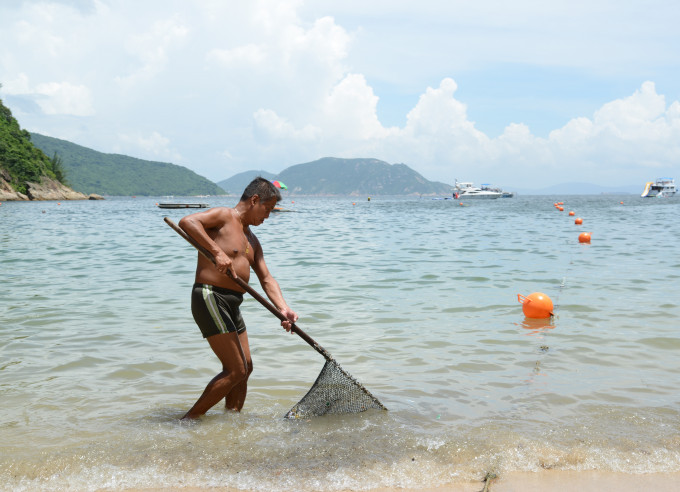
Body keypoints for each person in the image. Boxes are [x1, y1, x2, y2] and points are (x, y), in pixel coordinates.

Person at [178, 177, 298, 420]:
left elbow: (266, 279)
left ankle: (231, 420)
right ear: (255, 200)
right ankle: (189, 421)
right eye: (268, 208)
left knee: (246, 368)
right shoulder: (224, 216)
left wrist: (283, 309)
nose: (269, 215)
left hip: (233, 302)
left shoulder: (252, 240)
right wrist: (216, 252)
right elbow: (187, 221)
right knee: (236, 369)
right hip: (210, 296)